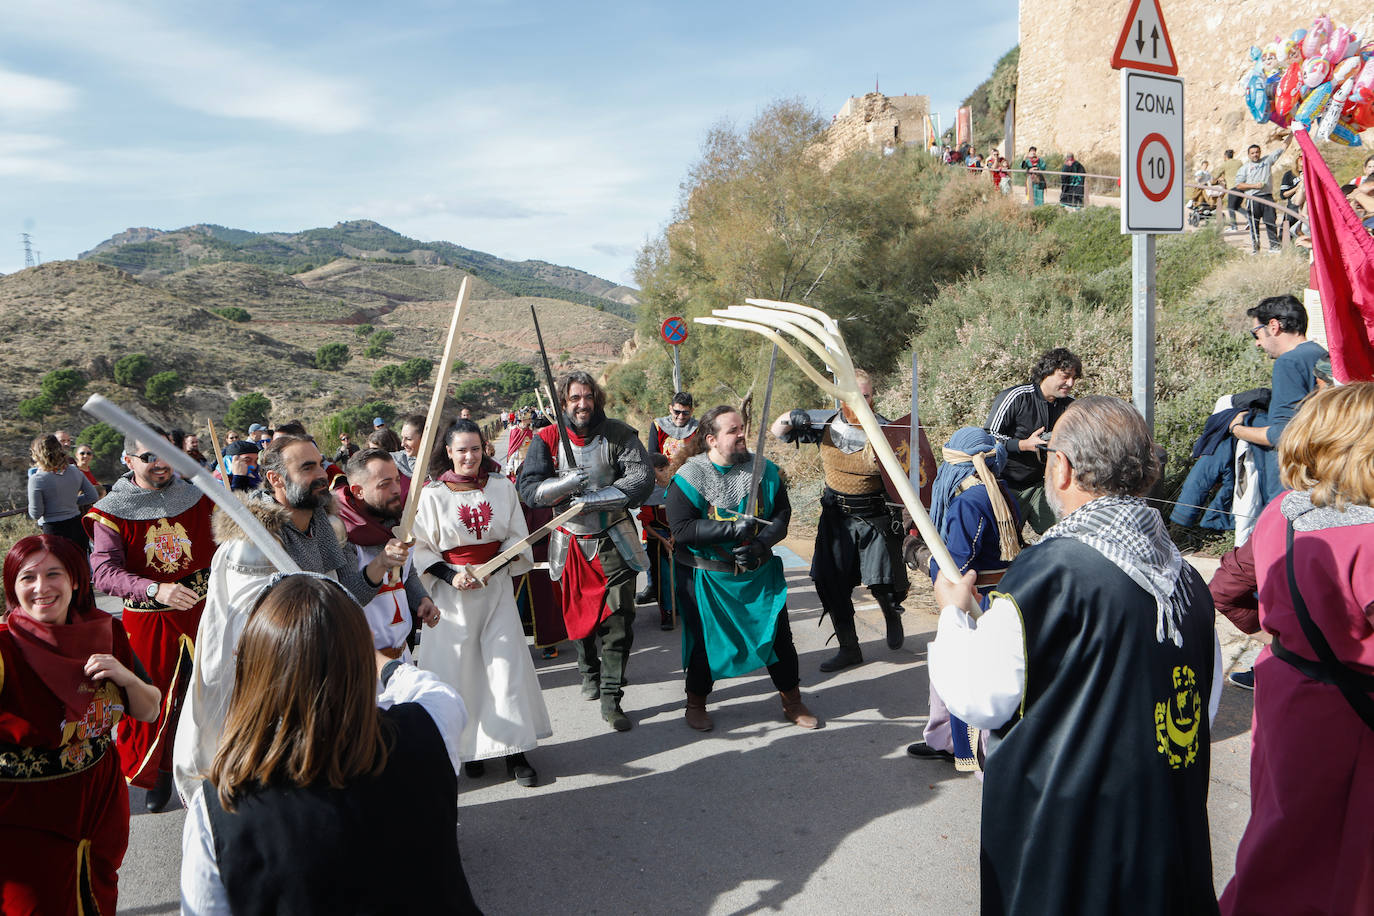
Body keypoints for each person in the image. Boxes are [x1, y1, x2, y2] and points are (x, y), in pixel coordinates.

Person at [928, 396, 1223, 916]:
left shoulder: (1051, 571)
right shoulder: (1189, 580)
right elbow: (1205, 703)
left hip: (1067, 837)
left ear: (1060, 466)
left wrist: (954, 617)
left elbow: (981, 698)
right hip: (1164, 832)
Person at [178, 574, 481, 914]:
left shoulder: (220, 807)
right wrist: (376, 657)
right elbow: (433, 690)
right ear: (361, 655)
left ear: (253, 666)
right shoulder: (429, 726)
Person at [173, 434, 406, 803]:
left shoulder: (326, 527)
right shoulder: (251, 543)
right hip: (272, 682)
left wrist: (380, 564)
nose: (321, 476)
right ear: (275, 480)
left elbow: (349, 599)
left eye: (320, 464)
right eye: (307, 467)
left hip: (324, 670)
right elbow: (255, 629)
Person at [1218, 384, 1374, 915]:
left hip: (1287, 694)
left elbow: (1226, 589)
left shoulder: (1283, 510)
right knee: (1346, 863)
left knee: (1279, 842)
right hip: (1354, 717)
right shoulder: (1370, 536)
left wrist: (1276, 636)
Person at [0, 534, 160, 915]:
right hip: (25, 817)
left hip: (99, 801)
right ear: (12, 587)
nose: (41, 588)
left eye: (53, 574)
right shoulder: (4, 649)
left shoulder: (105, 633)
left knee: (98, 897)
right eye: (27, 577)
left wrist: (126, 677)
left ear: (75, 579)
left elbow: (150, 709)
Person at [413, 420, 552, 785]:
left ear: (483, 448)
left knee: (504, 672)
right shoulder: (432, 495)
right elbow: (422, 549)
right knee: (461, 676)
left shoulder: (503, 488)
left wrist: (496, 566)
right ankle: (468, 750)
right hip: (451, 598)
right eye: (461, 449)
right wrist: (450, 575)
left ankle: (515, 752)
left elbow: (516, 538)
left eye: (475, 448)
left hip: (496, 592)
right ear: (448, 452)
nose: (469, 456)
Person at [84, 435, 216, 812]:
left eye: (166, 455)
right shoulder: (111, 511)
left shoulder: (199, 495)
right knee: (154, 703)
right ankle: (157, 776)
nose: (160, 463)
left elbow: (225, 541)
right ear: (128, 459)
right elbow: (105, 573)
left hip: (205, 611)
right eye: (148, 456)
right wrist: (155, 589)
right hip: (149, 622)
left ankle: (213, 771)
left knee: (212, 693)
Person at [516, 370, 653, 732]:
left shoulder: (619, 433)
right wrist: (561, 485)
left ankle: (612, 696)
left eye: (587, 396)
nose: (582, 404)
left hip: (614, 534)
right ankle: (588, 669)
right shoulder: (545, 438)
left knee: (619, 619)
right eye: (575, 398)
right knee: (579, 618)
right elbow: (528, 488)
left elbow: (641, 478)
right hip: (570, 538)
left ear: (597, 398)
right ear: (564, 402)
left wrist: (596, 497)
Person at [667, 406, 817, 732]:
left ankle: (792, 700)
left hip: (757, 574)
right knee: (705, 643)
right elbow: (681, 529)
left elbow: (781, 514)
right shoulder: (690, 478)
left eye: (742, 428)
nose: (742, 435)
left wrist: (761, 544)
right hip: (707, 579)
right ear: (711, 439)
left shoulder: (763, 471)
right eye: (733, 431)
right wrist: (731, 529)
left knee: (780, 639)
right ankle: (696, 702)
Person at [771, 369, 909, 670]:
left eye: (866, 395)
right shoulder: (823, 422)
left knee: (883, 583)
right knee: (830, 583)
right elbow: (777, 431)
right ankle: (849, 648)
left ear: (874, 397)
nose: (860, 401)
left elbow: (913, 475)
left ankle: (890, 612)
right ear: (842, 397)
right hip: (836, 517)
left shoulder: (888, 430)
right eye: (853, 396)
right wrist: (791, 417)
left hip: (876, 517)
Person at [905, 427, 1021, 771]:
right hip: (999, 596)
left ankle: (964, 750)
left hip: (972, 601)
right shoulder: (1000, 491)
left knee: (961, 673)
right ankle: (942, 738)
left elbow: (958, 566)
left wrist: (922, 557)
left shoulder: (968, 501)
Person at [338, 448, 441, 660]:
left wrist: (421, 599)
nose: (396, 489)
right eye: (385, 484)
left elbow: (405, 573)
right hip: (365, 664)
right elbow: (348, 600)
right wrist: (381, 562)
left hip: (403, 653)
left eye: (396, 479)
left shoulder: (394, 519)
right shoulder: (341, 532)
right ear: (358, 491)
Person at [1229, 294, 1327, 505]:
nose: (1257, 343)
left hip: (1292, 484)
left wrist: (1237, 430)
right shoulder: (1319, 353)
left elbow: (1282, 434)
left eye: (1256, 334)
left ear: (1274, 326)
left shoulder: (1289, 362)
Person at [984, 347, 1082, 534]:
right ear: (1047, 372)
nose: (1070, 383)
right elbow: (988, 437)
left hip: (1042, 486)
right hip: (1006, 485)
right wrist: (1023, 445)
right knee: (1001, 543)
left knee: (1063, 533)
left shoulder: (1071, 406)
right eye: (1065, 376)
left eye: (1074, 378)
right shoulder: (1016, 397)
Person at [27, 434, 98, 551]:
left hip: (54, 531)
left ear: (37, 454)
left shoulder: (37, 479)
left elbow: (36, 513)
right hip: (77, 526)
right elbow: (92, 496)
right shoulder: (74, 470)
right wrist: (71, 502)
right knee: (80, 566)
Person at [637, 454, 680, 631]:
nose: (665, 472)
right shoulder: (648, 494)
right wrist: (663, 539)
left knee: (679, 576)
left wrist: (675, 535)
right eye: (660, 470)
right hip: (657, 541)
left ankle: (680, 607)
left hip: (677, 537)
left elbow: (683, 514)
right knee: (663, 579)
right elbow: (646, 523)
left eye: (667, 468)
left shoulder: (676, 487)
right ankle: (667, 613)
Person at [1234, 132, 1294, 254]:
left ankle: (1274, 246)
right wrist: (1253, 186)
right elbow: (1239, 185)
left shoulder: (1267, 161)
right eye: (1252, 153)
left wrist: (1293, 132)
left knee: (1271, 222)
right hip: (1253, 198)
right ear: (1249, 155)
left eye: (1257, 152)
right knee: (1254, 225)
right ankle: (1256, 249)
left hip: (1267, 197)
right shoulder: (1245, 168)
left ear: (1260, 152)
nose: (1255, 155)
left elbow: (1283, 147)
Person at [1217, 148, 1243, 230]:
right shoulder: (1239, 163)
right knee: (1237, 206)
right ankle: (1250, 219)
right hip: (1242, 187)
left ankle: (1234, 227)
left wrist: (1215, 180)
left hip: (1233, 187)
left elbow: (1216, 175)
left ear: (1225, 156)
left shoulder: (1225, 164)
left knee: (1230, 207)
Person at [393, 413, 426, 479]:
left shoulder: (443, 468)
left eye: (408, 439)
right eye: (402, 437)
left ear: (424, 439)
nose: (402, 444)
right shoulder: (400, 459)